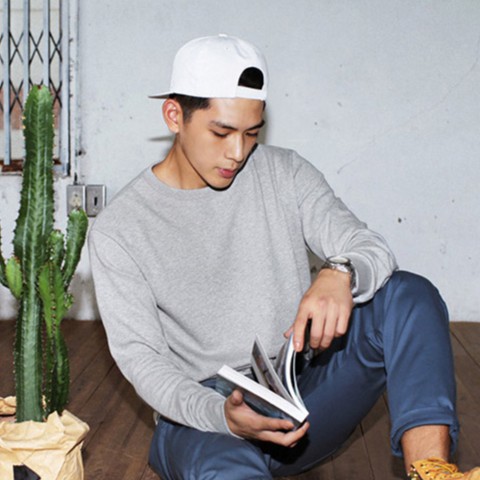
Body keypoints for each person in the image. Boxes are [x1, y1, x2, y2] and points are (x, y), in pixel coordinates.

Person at [89, 34, 479, 479]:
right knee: (227, 469)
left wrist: (341, 272)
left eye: (251, 133)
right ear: (175, 115)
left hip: (300, 394)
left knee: (408, 296)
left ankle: (431, 472)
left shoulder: (284, 172)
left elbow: (368, 246)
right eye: (221, 132)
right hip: (204, 417)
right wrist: (221, 415)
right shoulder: (120, 229)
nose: (238, 152)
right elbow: (144, 362)